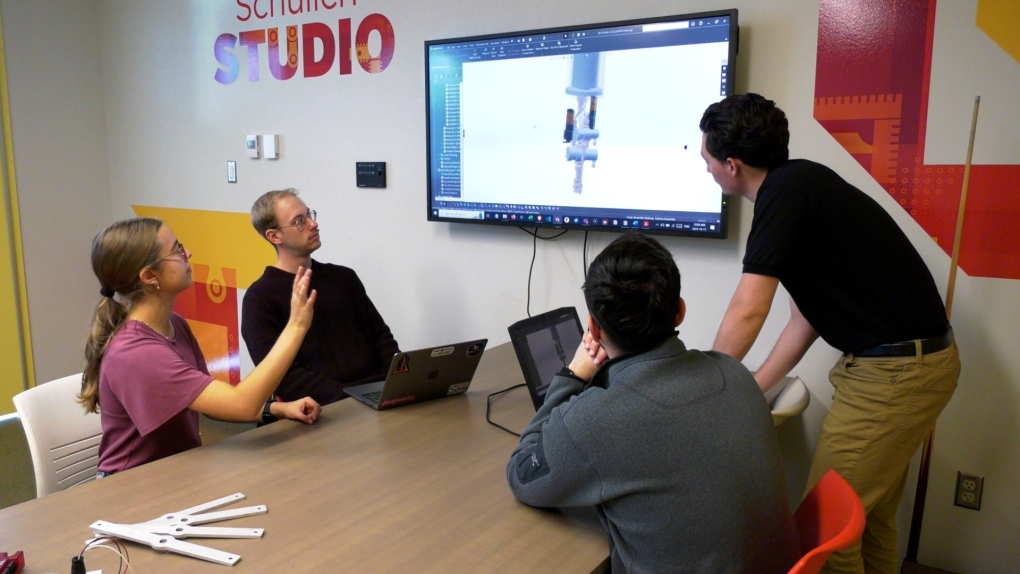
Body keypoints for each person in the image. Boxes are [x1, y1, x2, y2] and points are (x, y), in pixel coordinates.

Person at [701, 93, 960, 573]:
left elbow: (749, 307)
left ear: (731, 165)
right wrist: (751, 389)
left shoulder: (783, 194)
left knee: (827, 534)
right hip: (913, 366)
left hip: (895, 376)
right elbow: (807, 318)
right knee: (869, 517)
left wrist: (708, 389)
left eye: (708, 160)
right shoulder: (802, 185)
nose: (707, 171)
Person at [506, 232, 799, 574]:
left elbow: (523, 475)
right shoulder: (734, 373)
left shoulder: (598, 420)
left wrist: (573, 376)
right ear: (680, 311)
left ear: (593, 329)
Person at [79, 218, 321, 476]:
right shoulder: (137, 352)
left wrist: (278, 409)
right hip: (134, 486)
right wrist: (296, 327)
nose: (188, 254)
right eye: (177, 250)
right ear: (150, 276)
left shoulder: (173, 324)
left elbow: (210, 403)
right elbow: (242, 404)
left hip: (176, 473)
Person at [242, 189, 399, 406]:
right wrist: (349, 400)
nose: (313, 224)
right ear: (274, 236)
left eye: (309, 215)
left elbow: (381, 338)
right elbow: (283, 377)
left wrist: (400, 380)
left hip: (375, 394)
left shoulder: (344, 277)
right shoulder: (260, 299)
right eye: (299, 221)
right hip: (323, 407)